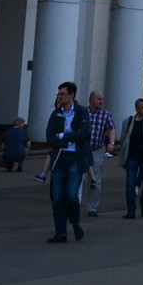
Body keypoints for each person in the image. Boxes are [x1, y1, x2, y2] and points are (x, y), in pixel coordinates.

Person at [43, 82, 90, 244]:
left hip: (76, 158)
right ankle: (60, 232)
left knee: (71, 194)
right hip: (59, 158)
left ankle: (75, 222)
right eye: (59, 94)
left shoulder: (82, 112)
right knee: (57, 198)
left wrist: (62, 136)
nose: (59, 96)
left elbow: (84, 134)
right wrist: (66, 139)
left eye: (63, 93)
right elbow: (49, 136)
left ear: (71, 95)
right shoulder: (56, 114)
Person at [112, 97, 143, 219]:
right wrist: (123, 158)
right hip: (132, 158)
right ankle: (131, 210)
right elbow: (124, 140)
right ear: (137, 108)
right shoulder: (128, 122)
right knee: (130, 184)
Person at [81, 91, 114, 216]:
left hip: (97, 150)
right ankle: (74, 203)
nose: (101, 101)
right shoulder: (83, 113)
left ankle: (92, 207)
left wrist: (111, 142)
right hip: (82, 149)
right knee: (77, 177)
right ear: (91, 100)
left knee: (95, 180)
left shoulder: (105, 114)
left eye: (102, 99)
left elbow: (112, 128)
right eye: (99, 99)